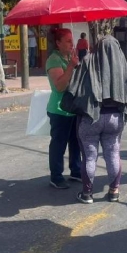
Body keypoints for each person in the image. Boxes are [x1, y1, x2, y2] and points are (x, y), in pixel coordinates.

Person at [75, 35, 127, 204]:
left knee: (89, 157)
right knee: (113, 154)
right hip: (114, 117)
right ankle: (114, 192)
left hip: (90, 118)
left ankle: (87, 194)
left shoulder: (87, 61)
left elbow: (76, 88)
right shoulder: (123, 65)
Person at [46, 28, 82, 189]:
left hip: (74, 108)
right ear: (58, 43)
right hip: (60, 109)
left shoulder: (69, 57)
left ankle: (76, 170)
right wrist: (71, 67)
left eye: (72, 40)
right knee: (59, 144)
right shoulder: (54, 60)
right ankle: (56, 175)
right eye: (67, 41)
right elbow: (59, 86)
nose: (71, 43)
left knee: (76, 142)